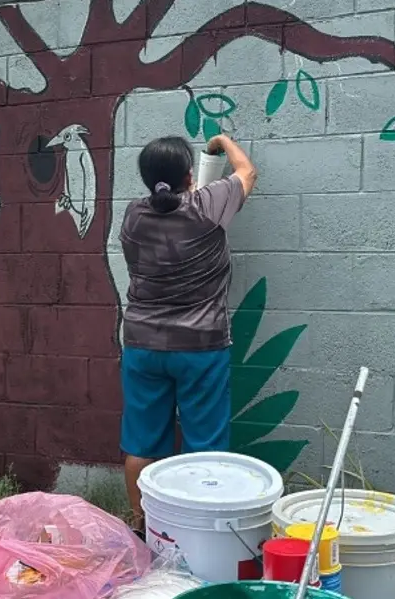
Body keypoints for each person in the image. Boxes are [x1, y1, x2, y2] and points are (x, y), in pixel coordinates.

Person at [118, 133, 257, 532]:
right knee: (204, 449)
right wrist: (222, 142)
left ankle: (145, 528)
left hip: (143, 345)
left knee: (142, 444)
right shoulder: (207, 207)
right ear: (188, 174)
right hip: (200, 348)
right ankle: (195, 531)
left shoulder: (133, 215)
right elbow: (247, 172)